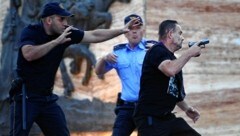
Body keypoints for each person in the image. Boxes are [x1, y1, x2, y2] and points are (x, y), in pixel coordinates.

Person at [9, 2, 140, 136]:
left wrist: (121, 30)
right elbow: (29, 54)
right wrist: (56, 42)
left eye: (66, 18)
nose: (65, 22)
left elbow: (94, 35)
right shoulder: (31, 31)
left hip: (47, 99)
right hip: (25, 98)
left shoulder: (66, 32)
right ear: (49, 20)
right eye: (61, 19)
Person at [133, 20, 204, 136]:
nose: (182, 38)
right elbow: (170, 70)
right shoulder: (157, 50)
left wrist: (186, 108)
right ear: (170, 34)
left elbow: (173, 90)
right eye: (180, 33)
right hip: (150, 119)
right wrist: (189, 53)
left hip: (167, 118)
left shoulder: (171, 58)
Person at [95, 14, 157, 136]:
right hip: (126, 108)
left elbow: (173, 65)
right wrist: (104, 58)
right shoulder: (118, 53)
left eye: (137, 29)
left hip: (148, 107)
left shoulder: (153, 48)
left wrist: (160, 52)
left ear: (143, 30)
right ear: (125, 32)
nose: (134, 32)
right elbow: (98, 71)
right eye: (131, 29)